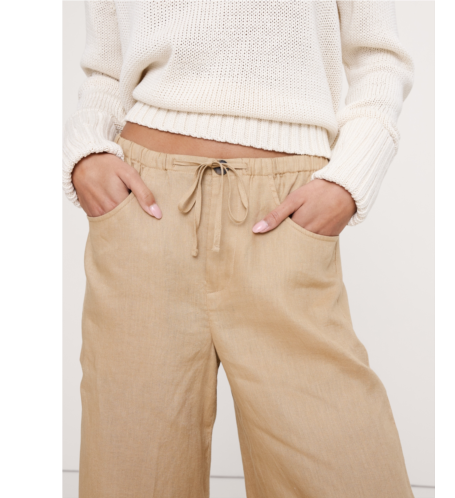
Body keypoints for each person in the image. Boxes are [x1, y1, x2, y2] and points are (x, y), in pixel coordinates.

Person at [62, 1, 415, 496]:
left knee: (345, 466)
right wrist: (86, 151)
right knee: (132, 475)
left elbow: (379, 57)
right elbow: (106, 66)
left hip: (283, 215)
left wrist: (349, 179)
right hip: (145, 209)